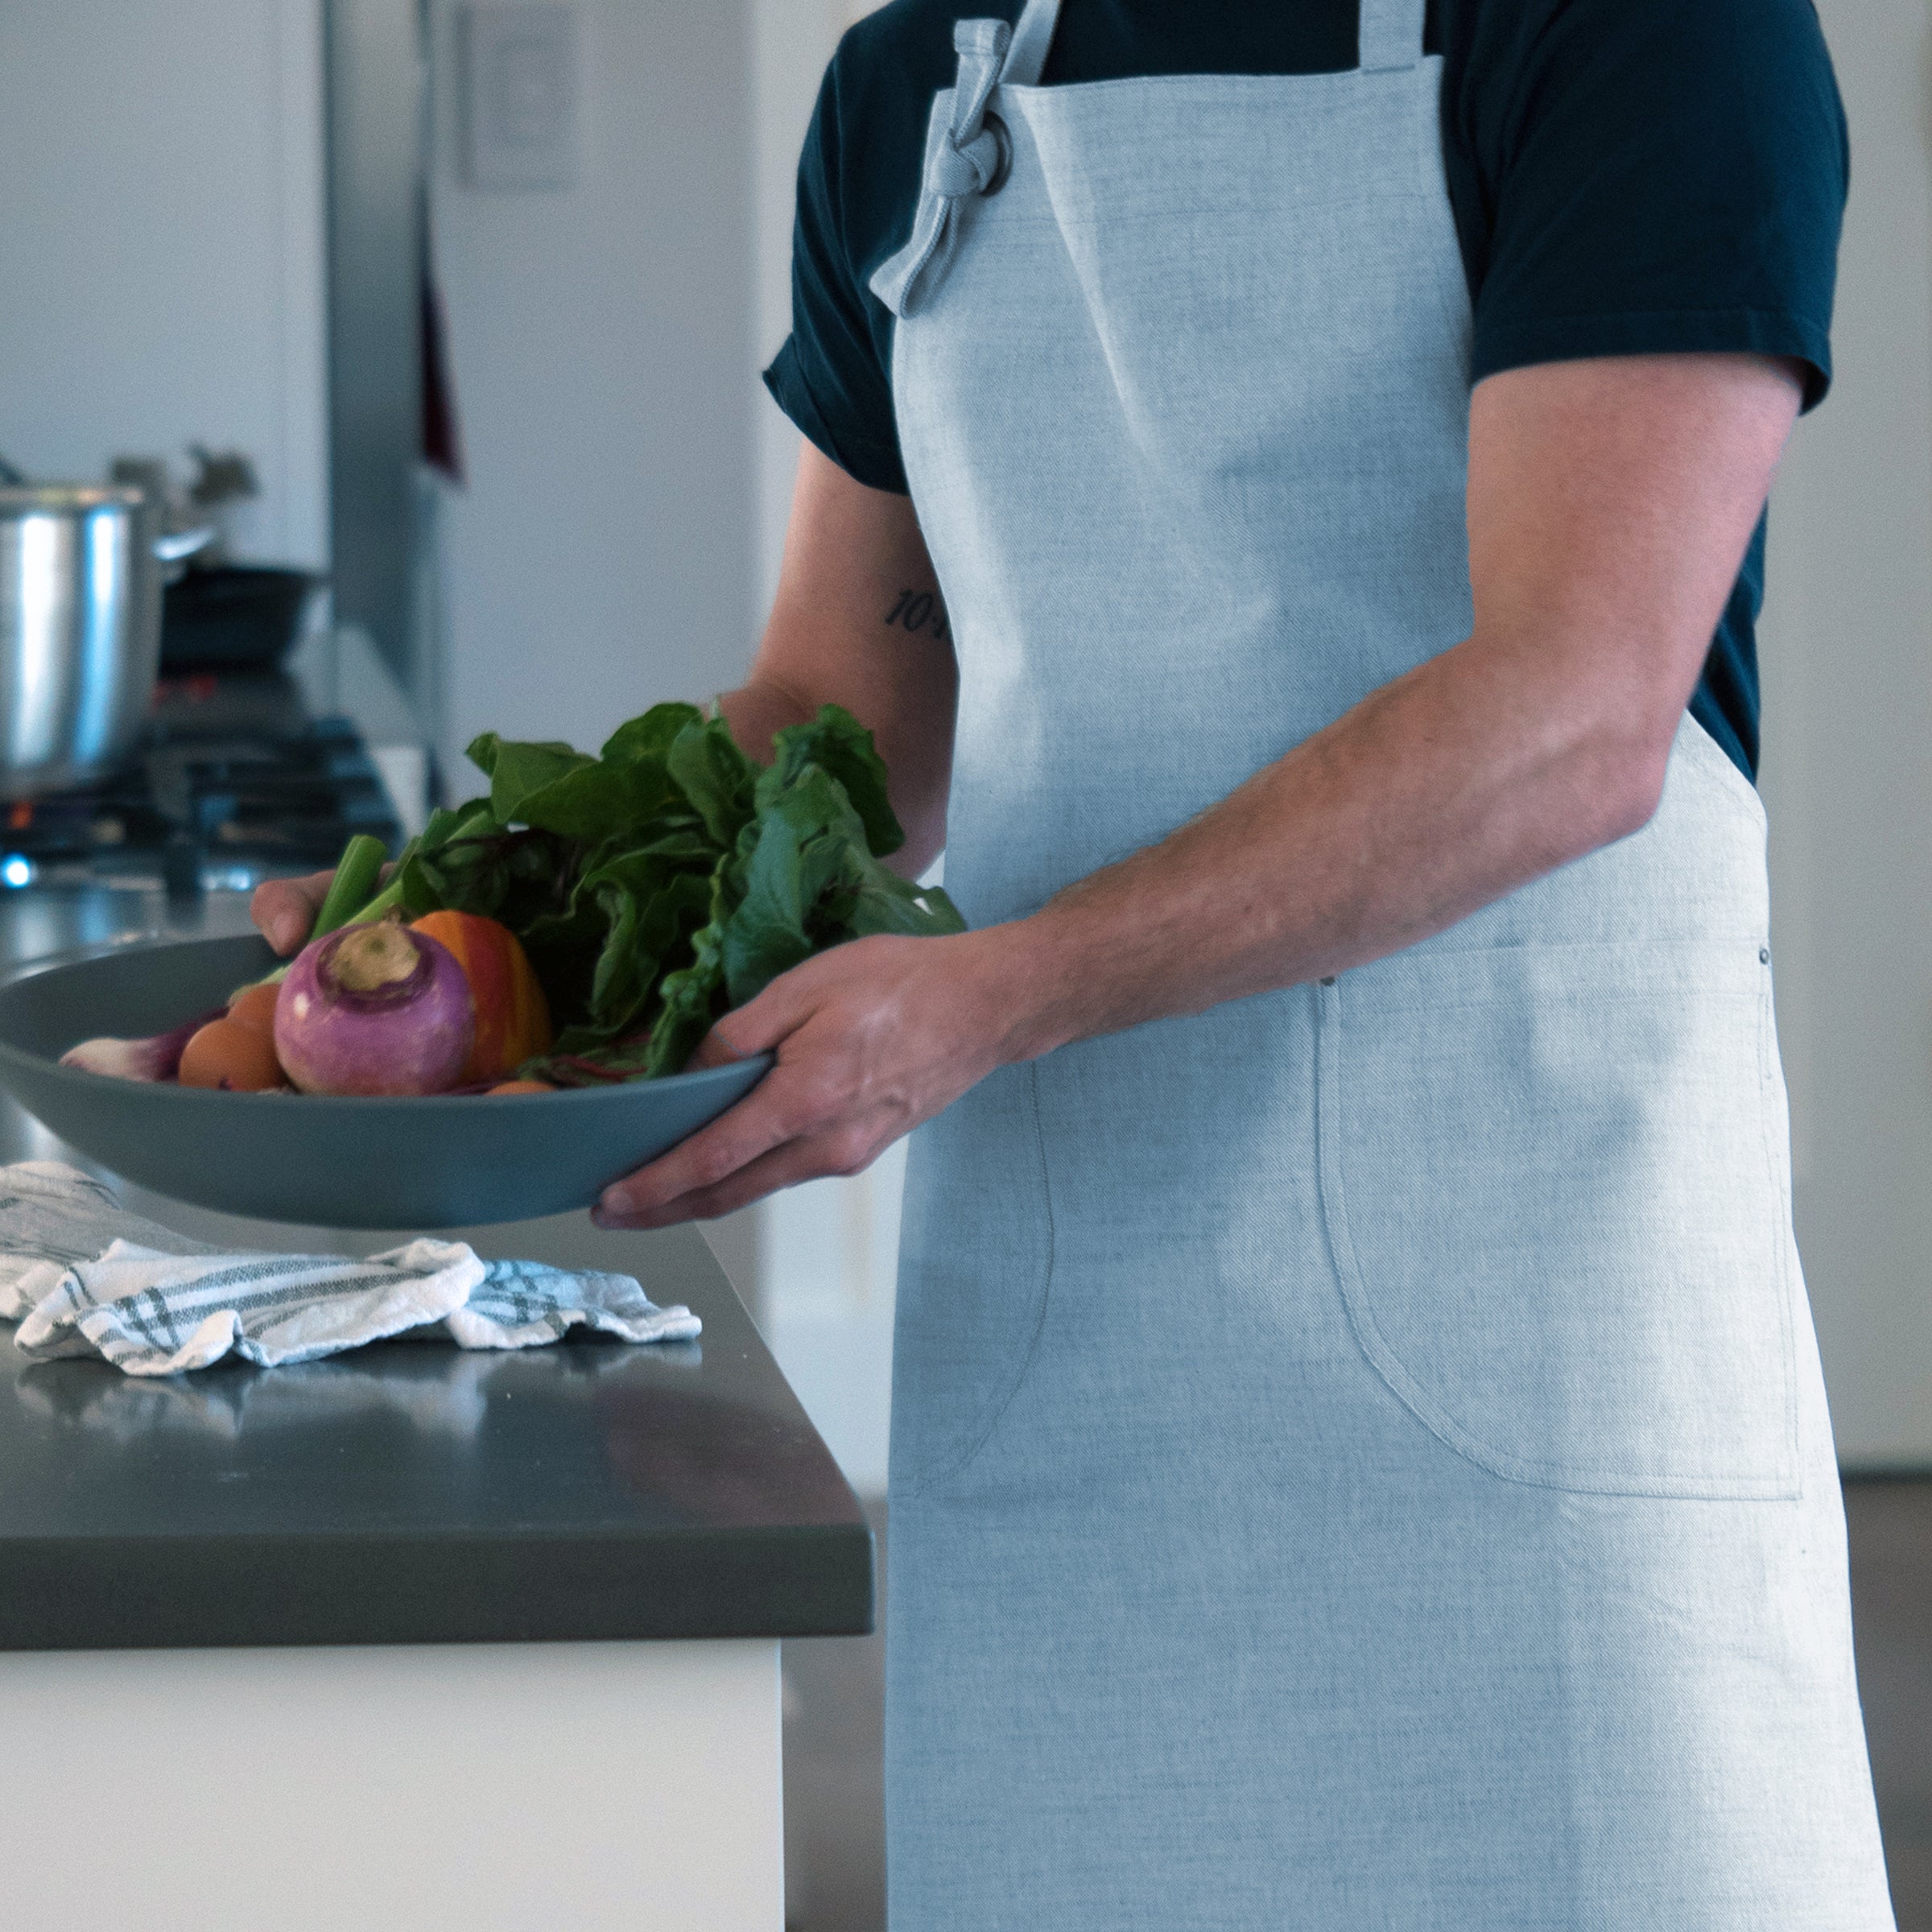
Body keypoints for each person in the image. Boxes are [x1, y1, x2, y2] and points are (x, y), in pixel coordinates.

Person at [258, 0, 1898, 1922]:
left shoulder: (1644, 36)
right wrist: (465, 933)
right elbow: (841, 718)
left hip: (1535, 1331)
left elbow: (1577, 711)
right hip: (1078, 1339)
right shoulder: (922, 80)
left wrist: (1003, 989)